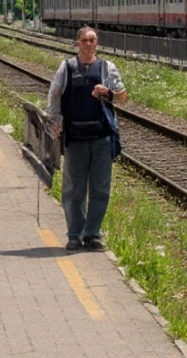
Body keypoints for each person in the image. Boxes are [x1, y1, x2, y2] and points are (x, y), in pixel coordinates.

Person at [48, 26, 128, 252]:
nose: (89, 44)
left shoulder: (107, 67)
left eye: (92, 40)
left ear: (97, 42)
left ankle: (92, 234)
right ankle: (74, 235)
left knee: (100, 189)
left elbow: (122, 97)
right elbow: (54, 95)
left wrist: (108, 93)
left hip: (102, 137)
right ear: (77, 42)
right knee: (74, 189)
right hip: (75, 137)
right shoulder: (66, 67)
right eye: (85, 40)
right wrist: (55, 123)